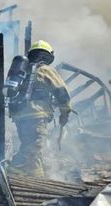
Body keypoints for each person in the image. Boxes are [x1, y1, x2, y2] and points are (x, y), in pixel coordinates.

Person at [7, 40, 72, 177]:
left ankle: (38, 179)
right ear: (47, 56)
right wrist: (65, 112)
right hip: (36, 114)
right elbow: (61, 91)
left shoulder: (23, 71)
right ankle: (10, 174)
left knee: (34, 152)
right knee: (33, 149)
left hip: (20, 115)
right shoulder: (45, 70)